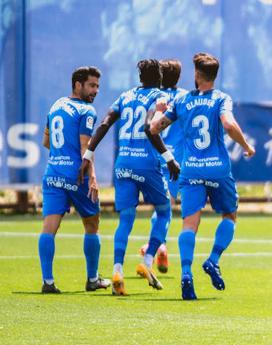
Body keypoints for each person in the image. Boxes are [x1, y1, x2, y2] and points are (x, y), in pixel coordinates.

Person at [149, 52, 255, 300]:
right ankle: (213, 259)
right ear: (214, 76)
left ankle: (186, 274)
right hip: (218, 168)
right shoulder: (221, 98)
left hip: (191, 169)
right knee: (230, 215)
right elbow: (228, 125)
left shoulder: (183, 101)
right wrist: (246, 146)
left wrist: (158, 111)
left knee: (189, 224)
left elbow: (154, 128)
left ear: (197, 75)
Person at [78, 59, 180, 296]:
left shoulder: (125, 96)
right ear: (160, 78)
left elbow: (104, 123)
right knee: (164, 210)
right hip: (147, 163)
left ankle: (117, 271)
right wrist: (169, 157)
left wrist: (88, 153)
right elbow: (149, 127)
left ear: (140, 77)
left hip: (123, 163)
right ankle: (147, 261)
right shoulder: (159, 96)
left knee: (126, 219)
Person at [39, 66, 111, 294]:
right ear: (77, 85)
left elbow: (47, 142)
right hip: (76, 175)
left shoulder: (56, 105)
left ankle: (48, 282)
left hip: (52, 173)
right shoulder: (86, 111)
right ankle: (92, 279)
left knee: (49, 227)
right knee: (92, 224)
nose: (96, 90)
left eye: (98, 86)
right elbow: (85, 149)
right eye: (91, 85)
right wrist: (93, 179)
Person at [137, 59, 188, 275]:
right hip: (178, 160)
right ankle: (157, 244)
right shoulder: (185, 97)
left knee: (160, 206)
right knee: (166, 205)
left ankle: (158, 245)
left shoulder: (153, 98)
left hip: (156, 156)